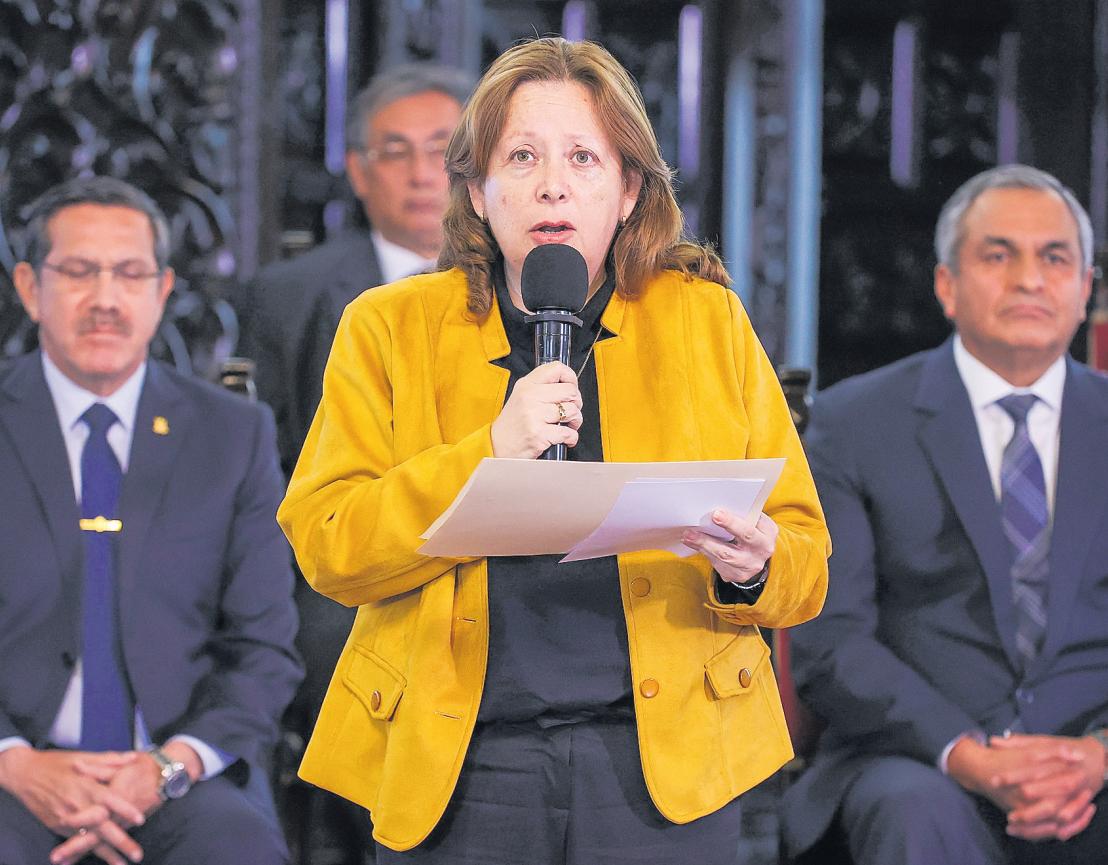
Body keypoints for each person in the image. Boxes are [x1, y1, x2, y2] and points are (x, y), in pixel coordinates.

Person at [278, 37, 830, 865]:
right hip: (461, 761)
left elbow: (806, 565)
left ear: (629, 189)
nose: (551, 185)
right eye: (521, 157)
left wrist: (753, 565)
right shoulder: (388, 327)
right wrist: (490, 451)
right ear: (477, 189)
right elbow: (329, 546)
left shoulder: (705, 320)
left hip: (664, 763)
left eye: (583, 158)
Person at [781, 164, 1108, 865]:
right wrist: (967, 753)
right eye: (999, 256)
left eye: (1055, 259)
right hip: (918, 756)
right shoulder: (853, 423)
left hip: (1093, 758)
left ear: (1086, 288)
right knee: (914, 811)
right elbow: (831, 641)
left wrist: (1098, 754)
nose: (1030, 280)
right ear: (946, 284)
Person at [0, 176, 301, 865]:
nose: (106, 298)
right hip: (13, 772)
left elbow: (264, 648)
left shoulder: (233, 435)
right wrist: (15, 762)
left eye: (130, 273)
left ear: (162, 290)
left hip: (176, 778)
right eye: (79, 271)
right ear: (29, 287)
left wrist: (167, 767)